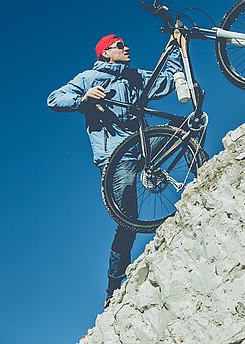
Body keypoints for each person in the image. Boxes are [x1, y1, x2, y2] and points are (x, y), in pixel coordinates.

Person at [47, 33, 183, 307]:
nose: (127, 47)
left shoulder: (134, 76)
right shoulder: (89, 77)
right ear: (105, 53)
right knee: (127, 222)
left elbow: (165, 80)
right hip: (114, 158)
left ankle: (174, 169)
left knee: (185, 131)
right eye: (120, 46)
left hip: (141, 144)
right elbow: (54, 99)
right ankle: (113, 286)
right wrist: (83, 98)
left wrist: (176, 46)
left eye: (125, 44)